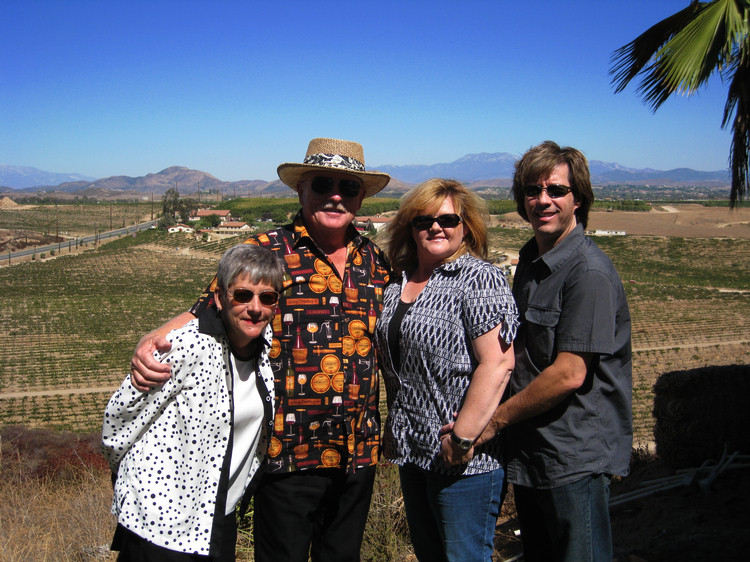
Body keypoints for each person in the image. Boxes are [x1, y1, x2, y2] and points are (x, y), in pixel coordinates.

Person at [129, 138, 391, 562]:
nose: (336, 196)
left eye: (349, 187)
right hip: (288, 453)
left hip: (358, 452)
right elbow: (206, 310)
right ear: (301, 190)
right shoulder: (265, 251)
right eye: (324, 184)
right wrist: (153, 338)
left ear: (361, 198)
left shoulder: (376, 262)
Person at [447, 141, 633, 562]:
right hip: (533, 452)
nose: (542, 200)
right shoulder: (532, 263)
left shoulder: (588, 273)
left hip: (573, 457)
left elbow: (569, 373)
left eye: (556, 190)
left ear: (578, 200)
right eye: (532, 191)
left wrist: (491, 422)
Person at [101, 243, 283, 561]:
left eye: (267, 297)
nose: (256, 307)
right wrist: (129, 482)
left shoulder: (263, 350)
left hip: (216, 519)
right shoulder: (186, 347)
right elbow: (119, 419)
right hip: (160, 524)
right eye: (242, 295)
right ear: (218, 298)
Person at [373, 179, 518, 562]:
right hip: (413, 452)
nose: (435, 228)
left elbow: (499, 362)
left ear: (465, 226)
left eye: (448, 219)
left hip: (462, 460)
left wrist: (464, 438)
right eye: (423, 221)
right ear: (410, 227)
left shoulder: (478, 278)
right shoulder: (398, 282)